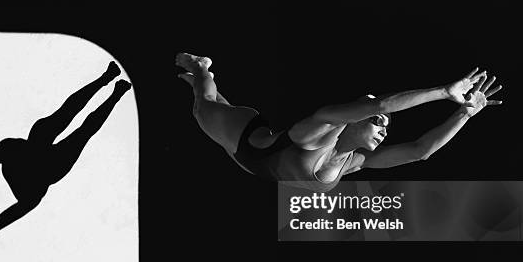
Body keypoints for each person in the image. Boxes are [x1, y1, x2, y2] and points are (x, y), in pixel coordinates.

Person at [175, 52, 503, 191]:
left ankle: (205, 81)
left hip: (255, 170)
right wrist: (443, 92)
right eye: (377, 121)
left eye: (386, 127)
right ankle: (203, 68)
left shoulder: (355, 162)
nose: (384, 128)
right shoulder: (321, 130)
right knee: (203, 106)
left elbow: (420, 150)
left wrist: (465, 113)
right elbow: (386, 103)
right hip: (250, 145)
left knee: (215, 106)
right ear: (357, 117)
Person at [0, 62, 131, 261]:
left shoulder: (12, 153)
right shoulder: (25, 183)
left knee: (73, 121)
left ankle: (110, 84)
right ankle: (113, 89)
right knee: (79, 127)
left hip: (42, 166)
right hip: (47, 169)